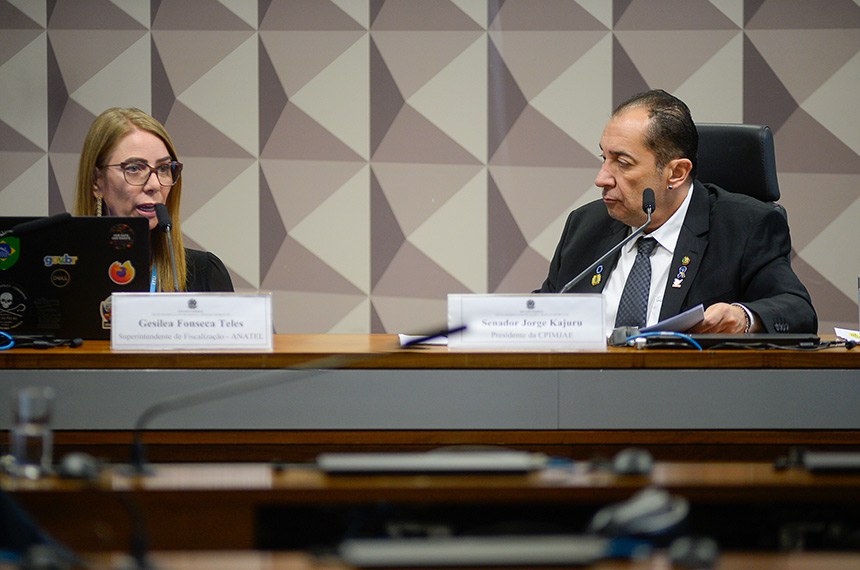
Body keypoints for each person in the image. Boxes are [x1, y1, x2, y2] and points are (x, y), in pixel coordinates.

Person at [536, 89, 817, 335]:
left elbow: (796, 310)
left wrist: (743, 317)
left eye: (622, 162)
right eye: (604, 158)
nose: (602, 178)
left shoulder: (744, 226)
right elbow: (546, 311)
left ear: (677, 173)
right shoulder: (586, 225)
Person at [74, 108, 233, 292]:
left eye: (164, 168)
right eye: (134, 168)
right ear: (97, 181)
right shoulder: (65, 276)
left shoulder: (206, 273)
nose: (154, 185)